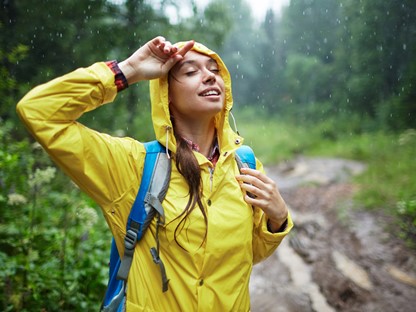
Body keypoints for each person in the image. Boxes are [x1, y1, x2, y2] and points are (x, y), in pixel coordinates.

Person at [16, 36, 293, 311]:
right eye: (191, 71)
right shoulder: (131, 166)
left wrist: (277, 219)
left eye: (214, 69)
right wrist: (127, 71)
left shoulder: (245, 164)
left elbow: (246, 255)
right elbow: (39, 112)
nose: (210, 77)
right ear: (166, 95)